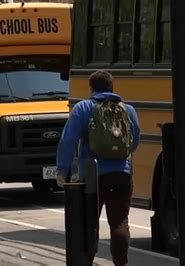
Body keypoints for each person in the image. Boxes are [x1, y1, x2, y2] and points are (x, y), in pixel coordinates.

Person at [56, 70, 140, 266]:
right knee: (119, 222)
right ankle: (121, 263)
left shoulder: (83, 108)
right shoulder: (128, 110)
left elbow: (68, 141)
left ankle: (88, 261)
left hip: (93, 176)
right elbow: (133, 142)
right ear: (112, 88)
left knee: (90, 222)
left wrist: (62, 170)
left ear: (91, 88)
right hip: (122, 173)